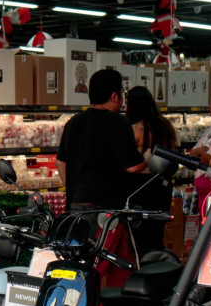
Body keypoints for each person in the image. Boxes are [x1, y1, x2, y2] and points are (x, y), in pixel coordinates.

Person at [56, 69, 147, 211]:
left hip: (76, 206)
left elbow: (60, 163)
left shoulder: (73, 122)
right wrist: (149, 158)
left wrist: (76, 191)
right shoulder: (118, 122)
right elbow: (133, 166)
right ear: (114, 96)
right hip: (107, 207)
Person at [124, 85, 178, 253]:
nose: (125, 109)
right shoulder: (166, 126)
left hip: (141, 188)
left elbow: (128, 164)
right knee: (156, 234)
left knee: (139, 238)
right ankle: (158, 267)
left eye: (127, 104)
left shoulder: (136, 129)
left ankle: (144, 270)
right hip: (163, 187)